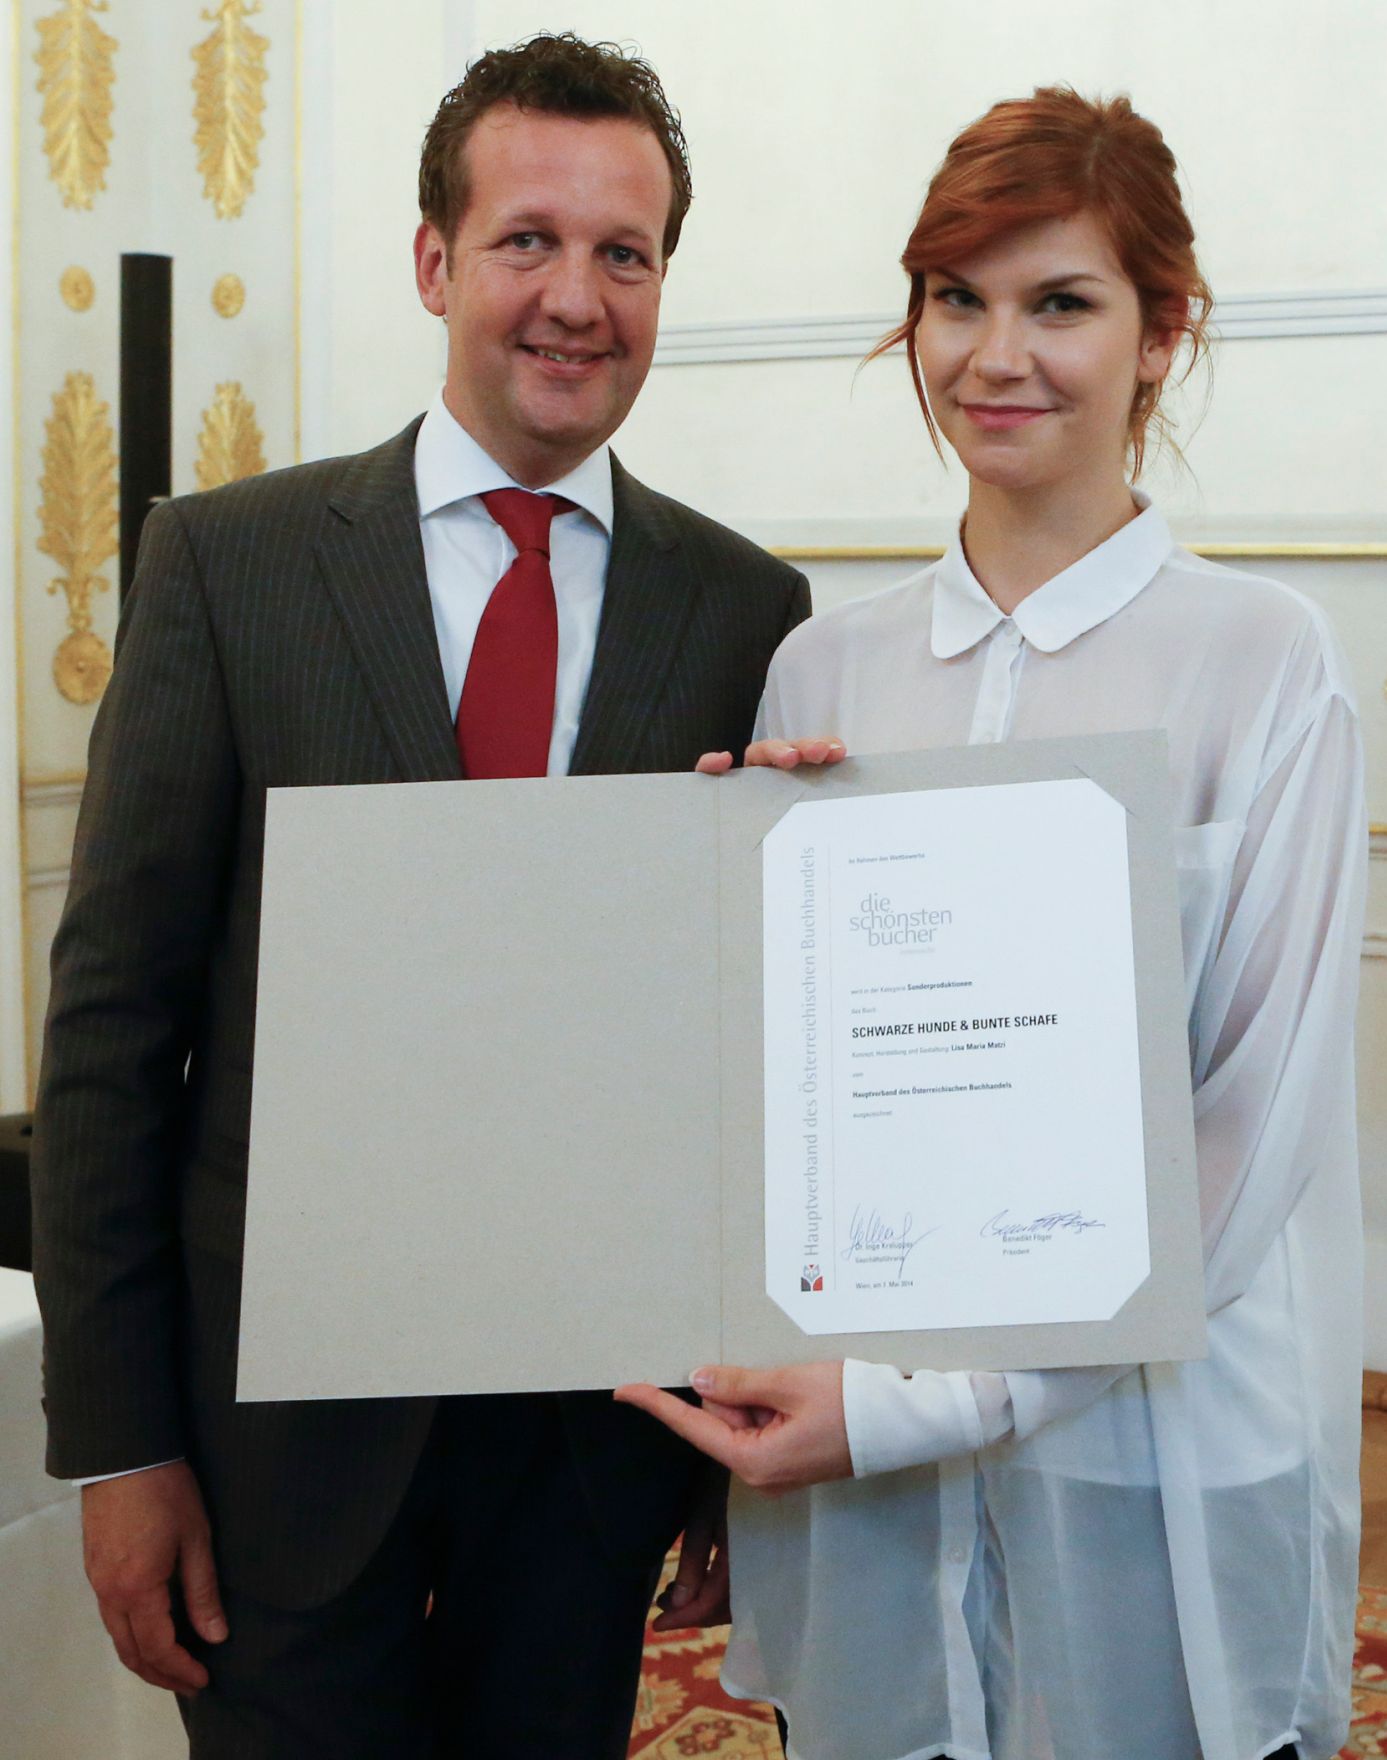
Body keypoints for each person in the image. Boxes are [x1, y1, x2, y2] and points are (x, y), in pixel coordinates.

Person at [30, 33, 808, 1759]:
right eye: (527, 238)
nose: (576, 298)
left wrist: (722, 1420)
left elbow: (741, 1063)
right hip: (269, 1464)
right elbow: (109, 1034)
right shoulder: (227, 565)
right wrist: (118, 1444)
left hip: (591, 1455)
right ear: (430, 259)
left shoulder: (748, 609)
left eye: (626, 253)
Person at [618, 87, 1365, 1760]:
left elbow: (1247, 1128)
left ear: (1161, 332)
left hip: (1146, 1452)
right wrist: (754, 883)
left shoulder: (1259, 661)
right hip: (850, 1435)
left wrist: (929, 1403)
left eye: (1060, 303)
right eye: (957, 300)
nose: (993, 355)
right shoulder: (825, 669)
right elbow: (775, 1101)